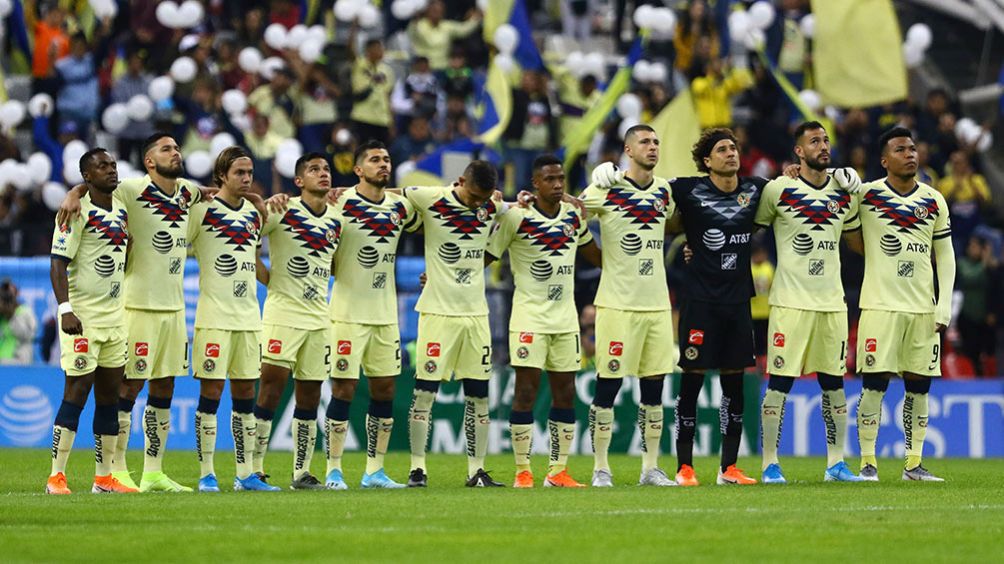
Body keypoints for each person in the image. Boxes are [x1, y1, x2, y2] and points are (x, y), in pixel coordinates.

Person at [58, 133, 206, 493]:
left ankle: (153, 471)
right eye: (166, 149)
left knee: (166, 386)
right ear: (150, 161)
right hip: (136, 304)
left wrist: (249, 196)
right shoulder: (131, 189)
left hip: (174, 307)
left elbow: (217, 192)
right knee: (127, 386)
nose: (176, 152)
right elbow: (94, 186)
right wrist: (72, 193)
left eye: (177, 147)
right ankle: (116, 470)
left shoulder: (187, 191)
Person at [754, 121, 866, 484]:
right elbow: (751, 228)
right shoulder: (779, 189)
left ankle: (836, 463)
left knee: (834, 383)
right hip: (790, 303)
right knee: (779, 383)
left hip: (832, 304)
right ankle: (770, 463)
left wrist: (852, 180)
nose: (823, 146)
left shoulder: (844, 190)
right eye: (814, 141)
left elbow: (856, 238)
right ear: (798, 152)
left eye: (826, 140)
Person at [485, 155, 602, 488]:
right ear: (535, 184)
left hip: (566, 319)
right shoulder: (516, 217)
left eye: (561, 178)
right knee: (525, 391)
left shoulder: (573, 216)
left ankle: (557, 471)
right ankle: (523, 469)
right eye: (550, 179)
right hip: (528, 318)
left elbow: (595, 255)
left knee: (565, 392)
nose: (557, 184)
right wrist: (442, 276)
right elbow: (486, 255)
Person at [578, 125, 678, 488]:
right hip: (617, 305)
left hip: (656, 305)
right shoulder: (606, 187)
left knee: (654, 390)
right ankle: (600, 468)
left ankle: (650, 468)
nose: (652, 147)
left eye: (656, 142)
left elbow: (680, 221)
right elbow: (571, 215)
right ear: (627, 149)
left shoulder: (664, 190)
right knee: (609, 386)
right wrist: (598, 255)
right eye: (645, 142)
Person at [855, 127, 955, 482]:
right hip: (880, 306)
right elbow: (829, 201)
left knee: (919, 387)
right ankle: (868, 463)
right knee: (874, 386)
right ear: (885, 160)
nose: (910, 154)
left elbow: (945, 256)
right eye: (901, 149)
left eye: (913, 148)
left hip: (922, 310)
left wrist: (943, 306)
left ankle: (914, 464)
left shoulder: (933, 200)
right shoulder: (866, 195)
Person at [323, 141, 421, 490]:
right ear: (358, 169)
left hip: (385, 315)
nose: (384, 164)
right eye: (375, 160)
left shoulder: (400, 207)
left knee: (385, 389)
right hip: (348, 314)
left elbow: (438, 217)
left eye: (387, 159)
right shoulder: (340, 203)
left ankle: (374, 470)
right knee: (344, 389)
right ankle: (333, 469)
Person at [404, 161, 504, 487]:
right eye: (474, 196)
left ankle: (476, 470)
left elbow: (511, 206)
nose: (479, 204)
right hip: (437, 314)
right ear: (460, 181)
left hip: (476, 314)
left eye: (484, 199)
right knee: (424, 394)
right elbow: (391, 194)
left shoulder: (491, 204)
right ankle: (417, 468)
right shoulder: (431, 198)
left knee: (479, 397)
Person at [249, 153, 342, 491]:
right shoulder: (281, 210)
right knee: (270, 390)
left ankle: (301, 472)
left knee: (310, 396)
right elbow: (248, 243)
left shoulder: (335, 219)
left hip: (319, 317)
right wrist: (269, 279)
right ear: (299, 180)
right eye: (314, 169)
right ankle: (253, 469)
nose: (323, 174)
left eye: (326, 169)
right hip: (283, 313)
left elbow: (334, 264)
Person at [187, 147, 277, 492]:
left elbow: (253, 261)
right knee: (211, 393)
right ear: (221, 175)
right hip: (214, 318)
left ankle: (245, 474)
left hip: (249, 318)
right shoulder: (204, 210)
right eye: (239, 172)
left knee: (244, 396)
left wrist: (276, 282)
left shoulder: (255, 214)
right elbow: (176, 243)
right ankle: (206, 474)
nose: (247, 178)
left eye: (250, 172)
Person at [46, 148, 136, 494]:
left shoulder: (122, 212)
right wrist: (65, 309)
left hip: (115, 318)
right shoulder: (76, 210)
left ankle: (104, 478)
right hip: (82, 317)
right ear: (87, 176)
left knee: (110, 397)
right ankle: (56, 476)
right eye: (102, 166)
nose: (111, 170)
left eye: (113, 164)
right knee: (77, 390)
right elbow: (58, 262)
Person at [350, 39, 395, 145]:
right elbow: (350, 51)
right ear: (368, 51)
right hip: (363, 117)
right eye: (377, 48)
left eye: (381, 48)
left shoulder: (387, 70)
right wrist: (354, 27)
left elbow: (388, 97)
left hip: (382, 119)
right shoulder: (360, 64)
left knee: (381, 152)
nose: (381, 51)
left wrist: (391, 122)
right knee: (363, 151)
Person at [0, 279, 38, 365]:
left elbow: (29, 336)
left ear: (17, 293)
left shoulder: (25, 311)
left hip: (19, 361)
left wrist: (11, 316)